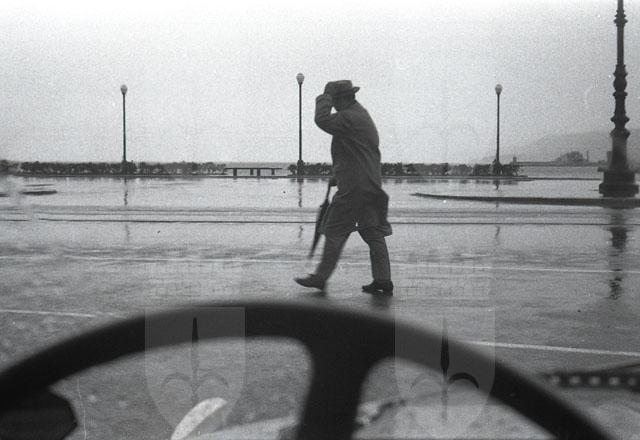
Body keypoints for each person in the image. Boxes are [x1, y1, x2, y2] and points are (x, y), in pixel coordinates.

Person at [295, 80, 393, 295]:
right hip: (368, 184)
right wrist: (339, 175)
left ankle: (321, 278)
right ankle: (383, 280)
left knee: (334, 230)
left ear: (342, 99)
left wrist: (324, 98)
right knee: (372, 231)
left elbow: (322, 120)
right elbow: (355, 152)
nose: (333, 106)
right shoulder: (359, 115)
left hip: (354, 188)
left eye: (334, 101)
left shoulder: (349, 117)